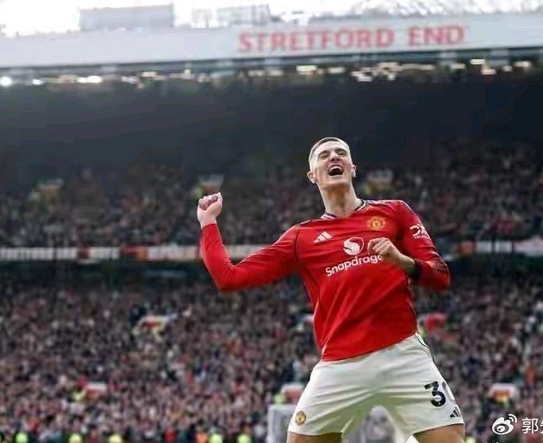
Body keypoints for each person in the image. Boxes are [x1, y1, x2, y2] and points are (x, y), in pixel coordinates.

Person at [197, 137, 464, 443]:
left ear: (352, 167)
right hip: (341, 365)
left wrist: (402, 261)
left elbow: (440, 276)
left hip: (403, 355)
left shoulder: (395, 212)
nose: (333, 157)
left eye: (341, 153)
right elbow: (228, 278)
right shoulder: (301, 238)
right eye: (324, 155)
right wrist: (208, 222)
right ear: (313, 175)